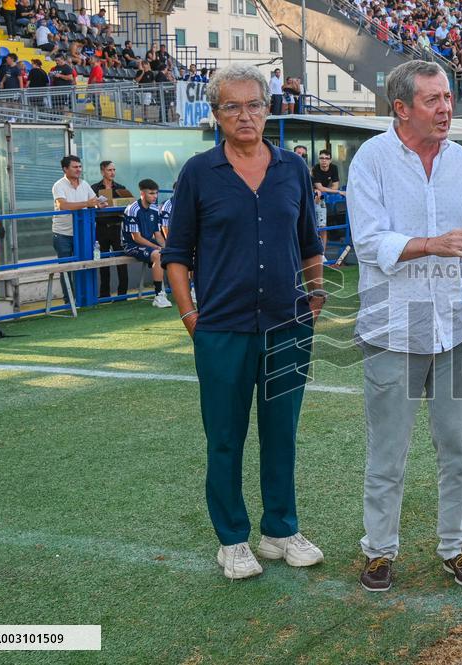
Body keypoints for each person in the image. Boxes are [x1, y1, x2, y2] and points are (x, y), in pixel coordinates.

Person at [162, 63, 326, 580]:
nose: (244, 115)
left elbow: (309, 244)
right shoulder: (198, 172)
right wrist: (190, 314)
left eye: (253, 104)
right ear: (216, 115)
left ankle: (279, 531)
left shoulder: (293, 169)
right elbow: (177, 252)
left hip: (286, 327)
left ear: (268, 107)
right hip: (222, 330)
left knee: (283, 433)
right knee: (225, 437)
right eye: (231, 106)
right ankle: (232, 539)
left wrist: (316, 295)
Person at [348, 60, 462, 593]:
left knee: (458, 448)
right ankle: (379, 552)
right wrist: (433, 244)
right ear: (401, 108)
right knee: (388, 452)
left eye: (448, 97)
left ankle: (457, 547)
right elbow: (368, 242)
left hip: (456, 327)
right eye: (433, 100)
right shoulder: (371, 160)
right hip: (392, 331)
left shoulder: (461, 162)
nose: (446, 108)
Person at [52, 156, 107, 303]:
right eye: (75, 167)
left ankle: (84, 300)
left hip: (82, 232)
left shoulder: (84, 184)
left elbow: (93, 201)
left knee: (84, 265)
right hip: (63, 233)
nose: (79, 170)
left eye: (80, 167)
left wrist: (99, 204)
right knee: (66, 268)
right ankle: (69, 301)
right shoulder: (59, 185)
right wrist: (88, 203)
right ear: (65, 169)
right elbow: (63, 205)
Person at [122, 179, 170, 307]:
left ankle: (188, 290)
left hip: (148, 244)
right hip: (132, 246)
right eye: (151, 193)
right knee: (158, 255)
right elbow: (136, 238)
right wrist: (158, 248)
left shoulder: (154, 208)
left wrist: (166, 247)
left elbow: (158, 234)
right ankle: (159, 295)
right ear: (142, 193)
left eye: (156, 193)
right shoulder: (132, 209)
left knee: (171, 252)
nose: (155, 196)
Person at [91, 161, 133, 298]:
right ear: (102, 171)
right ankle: (104, 295)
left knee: (121, 262)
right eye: (109, 170)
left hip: (116, 228)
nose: (112, 172)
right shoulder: (94, 188)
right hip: (101, 229)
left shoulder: (121, 188)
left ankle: (122, 295)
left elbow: (130, 204)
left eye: (114, 169)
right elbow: (90, 206)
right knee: (103, 262)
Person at [311, 148, 344, 249]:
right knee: (312, 228)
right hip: (311, 197)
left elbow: (335, 186)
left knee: (322, 227)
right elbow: (319, 188)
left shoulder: (333, 168)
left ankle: (322, 254)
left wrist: (325, 190)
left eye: (326, 158)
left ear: (330, 160)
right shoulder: (315, 169)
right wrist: (338, 192)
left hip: (321, 199)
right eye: (321, 158)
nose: (324, 160)